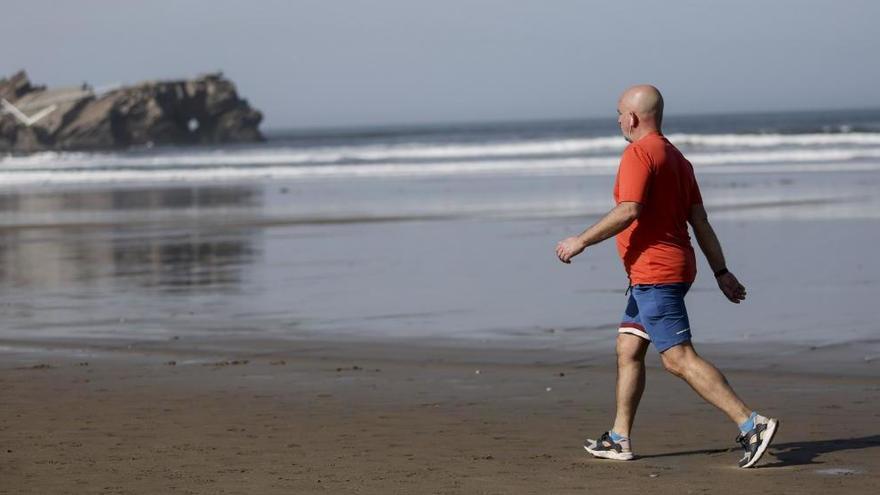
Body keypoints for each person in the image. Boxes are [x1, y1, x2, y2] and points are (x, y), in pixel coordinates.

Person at [554, 85, 778, 468]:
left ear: (633, 117)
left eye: (620, 113)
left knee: (677, 359)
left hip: (656, 273)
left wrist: (581, 241)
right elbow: (700, 222)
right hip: (662, 270)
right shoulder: (676, 158)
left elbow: (629, 210)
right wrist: (721, 271)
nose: (619, 120)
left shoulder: (639, 153)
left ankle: (751, 423)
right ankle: (619, 438)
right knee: (628, 349)